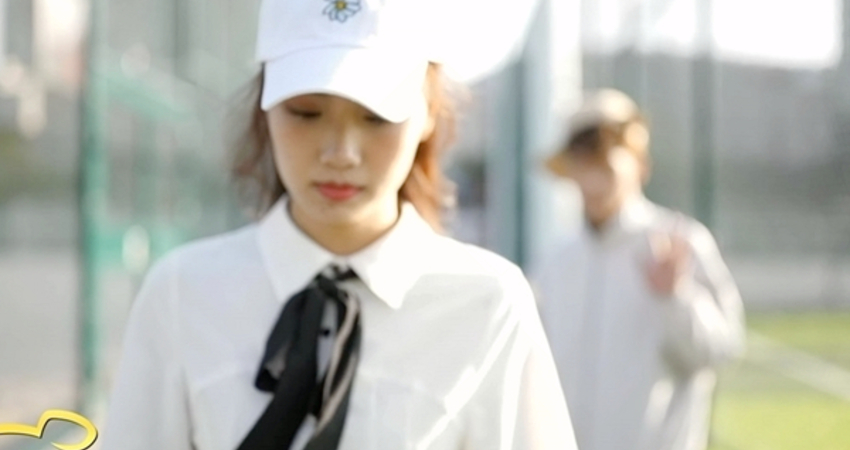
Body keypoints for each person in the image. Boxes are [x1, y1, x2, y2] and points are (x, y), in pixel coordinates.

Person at [99, 1, 577, 449]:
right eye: (306, 112)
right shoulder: (183, 292)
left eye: (376, 116)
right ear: (264, 107)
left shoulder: (489, 302)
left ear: (429, 113)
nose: (340, 153)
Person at [531, 89, 746, 450]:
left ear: (640, 166)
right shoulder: (555, 260)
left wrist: (676, 297)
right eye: (584, 164)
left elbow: (722, 348)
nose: (593, 179)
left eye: (605, 164)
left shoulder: (680, 242)